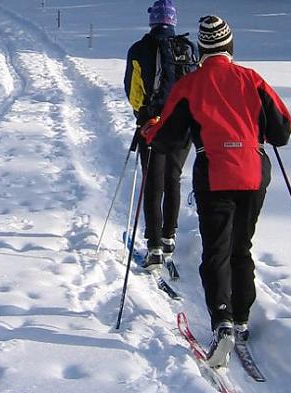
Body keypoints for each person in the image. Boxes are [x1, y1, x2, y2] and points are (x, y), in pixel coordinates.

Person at [142, 15, 291, 367]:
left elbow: (167, 140)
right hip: (254, 172)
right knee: (242, 246)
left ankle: (222, 320)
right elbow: (282, 131)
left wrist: (149, 128)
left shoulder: (191, 85)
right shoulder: (252, 79)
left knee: (217, 250)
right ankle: (241, 318)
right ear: (229, 46)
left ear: (202, 49)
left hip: (215, 173)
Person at [123, 0, 192, 271]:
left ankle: (154, 246)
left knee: (153, 182)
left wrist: (141, 114)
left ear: (152, 21)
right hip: (183, 125)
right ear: (173, 21)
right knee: (172, 177)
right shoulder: (187, 47)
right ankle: (169, 235)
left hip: (152, 124)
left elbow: (133, 89)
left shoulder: (139, 49)